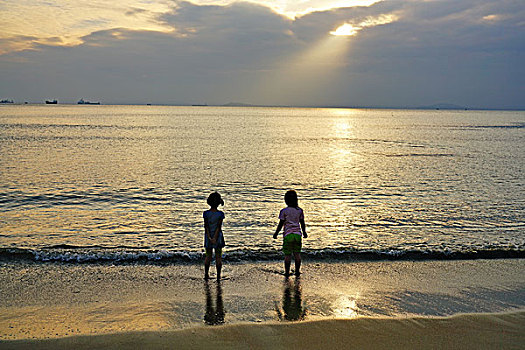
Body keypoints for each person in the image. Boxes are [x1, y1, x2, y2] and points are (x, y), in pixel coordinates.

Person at [273, 190, 307, 276]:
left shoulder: (284, 211)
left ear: (286, 200)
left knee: (288, 255)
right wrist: (304, 232)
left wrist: (276, 233)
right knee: (297, 254)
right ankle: (297, 271)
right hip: (297, 235)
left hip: (288, 235)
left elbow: (281, 224)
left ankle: (287, 272)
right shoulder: (299, 210)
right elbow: (302, 223)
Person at [203, 192, 225, 280]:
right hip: (218, 237)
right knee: (218, 256)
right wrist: (215, 238)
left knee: (208, 256)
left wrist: (209, 237)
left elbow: (206, 227)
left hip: (208, 237)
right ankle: (218, 275)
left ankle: (206, 274)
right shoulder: (220, 214)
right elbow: (219, 227)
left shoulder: (206, 213)